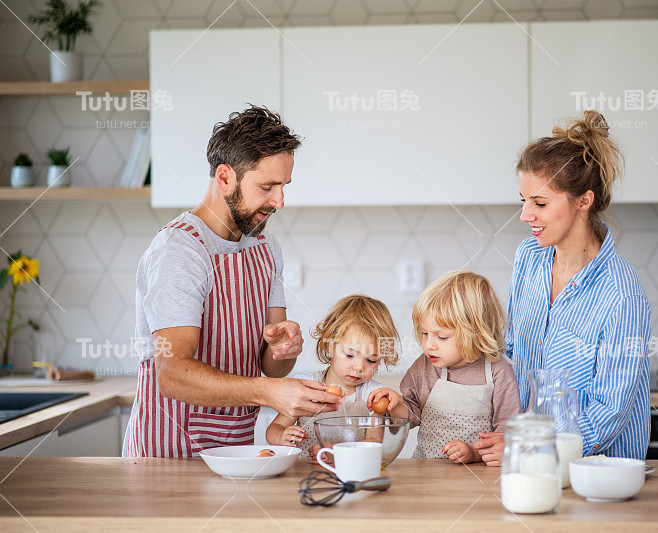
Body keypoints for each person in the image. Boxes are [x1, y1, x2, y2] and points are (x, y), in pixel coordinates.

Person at [124, 106, 341, 457]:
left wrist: (281, 349)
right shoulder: (180, 251)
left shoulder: (264, 246)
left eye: (283, 187)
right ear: (225, 178)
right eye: (267, 186)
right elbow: (172, 373)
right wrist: (268, 393)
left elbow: (272, 367)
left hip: (233, 452)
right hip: (171, 454)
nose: (279, 201)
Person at [475, 110, 651, 466]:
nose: (526, 215)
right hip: (531, 464)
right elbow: (513, 355)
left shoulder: (621, 295)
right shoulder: (529, 258)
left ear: (583, 201)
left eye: (539, 203)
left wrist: (533, 444)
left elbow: (610, 412)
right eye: (523, 200)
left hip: (598, 475)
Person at [369, 271, 521, 464]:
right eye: (424, 333)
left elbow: (506, 438)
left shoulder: (498, 372)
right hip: (426, 472)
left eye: (441, 337)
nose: (428, 345)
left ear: (475, 333)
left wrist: (474, 453)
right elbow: (412, 417)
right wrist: (397, 404)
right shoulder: (424, 366)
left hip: (478, 478)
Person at [266, 294, 401, 457]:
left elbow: (373, 442)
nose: (359, 367)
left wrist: (338, 452)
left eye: (371, 360)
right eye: (350, 355)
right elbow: (273, 430)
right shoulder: (307, 386)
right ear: (329, 346)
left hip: (352, 474)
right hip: (303, 474)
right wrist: (281, 436)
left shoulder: (373, 395)